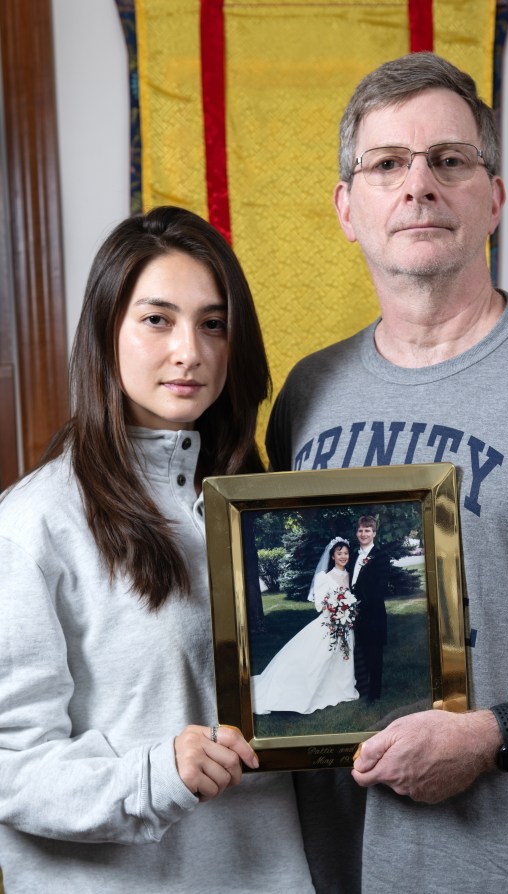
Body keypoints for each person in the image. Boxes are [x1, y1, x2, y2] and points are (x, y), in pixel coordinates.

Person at [266, 51, 508, 892]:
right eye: (387, 164)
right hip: (351, 873)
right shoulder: (306, 395)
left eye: (450, 161)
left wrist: (494, 732)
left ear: (493, 198)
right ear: (348, 208)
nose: (418, 184)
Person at [0, 206, 315, 893]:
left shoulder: (266, 513)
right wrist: (156, 774)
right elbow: (8, 769)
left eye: (212, 323)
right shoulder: (33, 524)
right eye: (157, 319)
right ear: (106, 331)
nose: (189, 352)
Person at [251, 536, 359, 714]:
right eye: (339, 553)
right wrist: (335, 609)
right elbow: (319, 604)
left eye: (346, 553)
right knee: (318, 659)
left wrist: (347, 610)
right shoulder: (324, 577)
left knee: (343, 657)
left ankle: (341, 690)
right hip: (329, 624)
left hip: (346, 625)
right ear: (332, 556)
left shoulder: (350, 575)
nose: (343, 556)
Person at [350, 515, 389, 703]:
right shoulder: (352, 556)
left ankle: (374, 694)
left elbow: (379, 589)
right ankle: (360, 688)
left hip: (372, 614)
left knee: (374, 653)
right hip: (353, 614)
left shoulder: (380, 556)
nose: (363, 534)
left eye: (367, 530)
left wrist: (360, 606)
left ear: (374, 533)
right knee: (359, 652)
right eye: (360, 530)